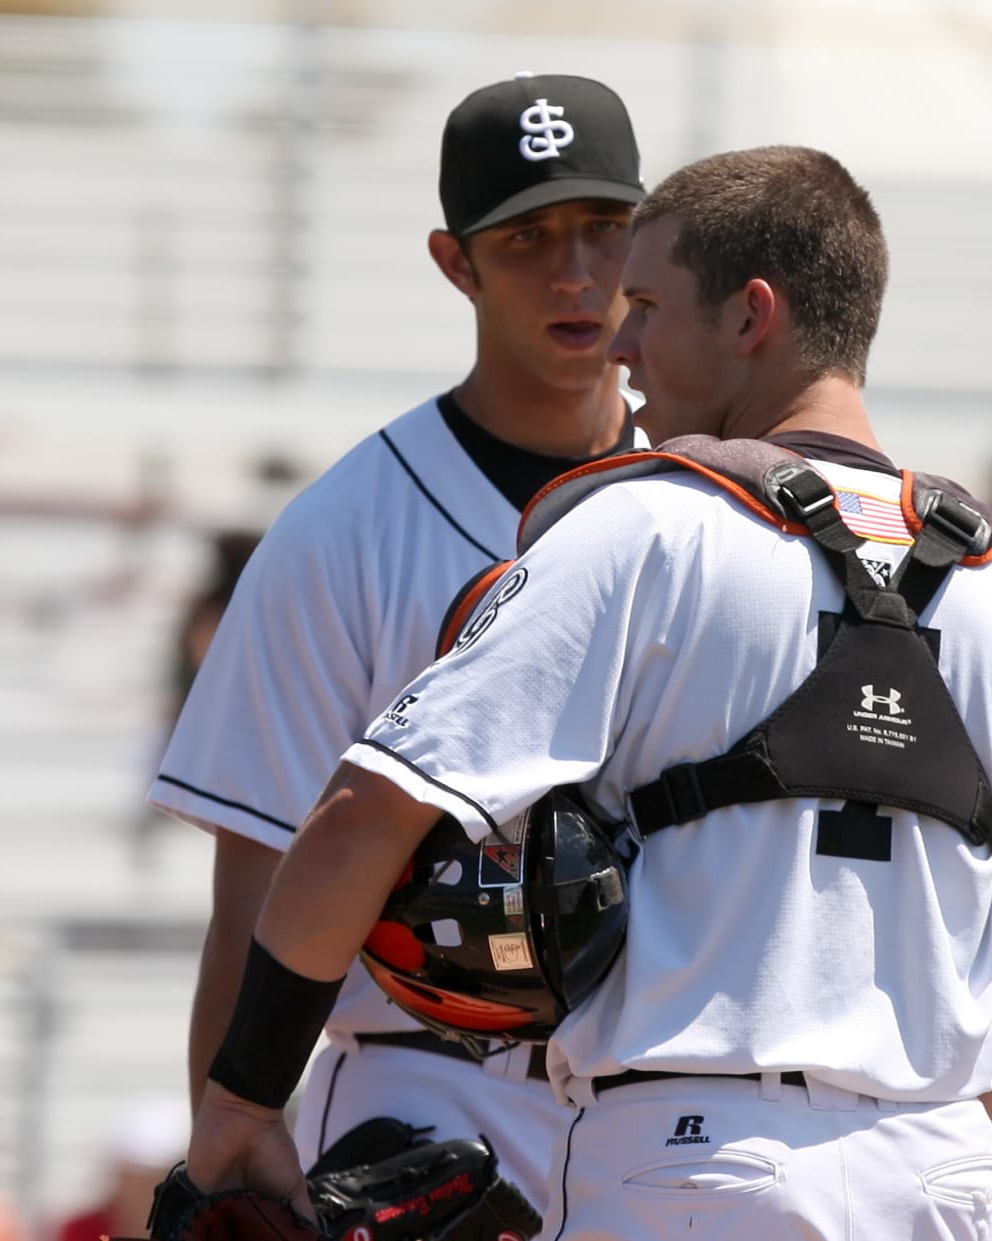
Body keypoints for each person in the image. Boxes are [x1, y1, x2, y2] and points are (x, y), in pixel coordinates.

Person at [182, 145, 992, 1238]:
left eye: (647, 303)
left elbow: (360, 818)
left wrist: (241, 1101)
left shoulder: (644, 529)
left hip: (695, 1158)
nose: (621, 343)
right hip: (939, 1169)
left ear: (750, 317)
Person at [144, 71, 647, 1219]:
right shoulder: (345, 529)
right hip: (429, 1096)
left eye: (605, 230)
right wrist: (230, 1152)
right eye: (526, 237)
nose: (575, 273)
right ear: (454, 260)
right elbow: (255, 893)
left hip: (660, 1099)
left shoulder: (711, 497)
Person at [55, 1098, 188, 1241]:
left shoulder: (194, 1228)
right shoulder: (81, 1230)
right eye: (131, 1177)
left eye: (149, 1179)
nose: (138, 1190)